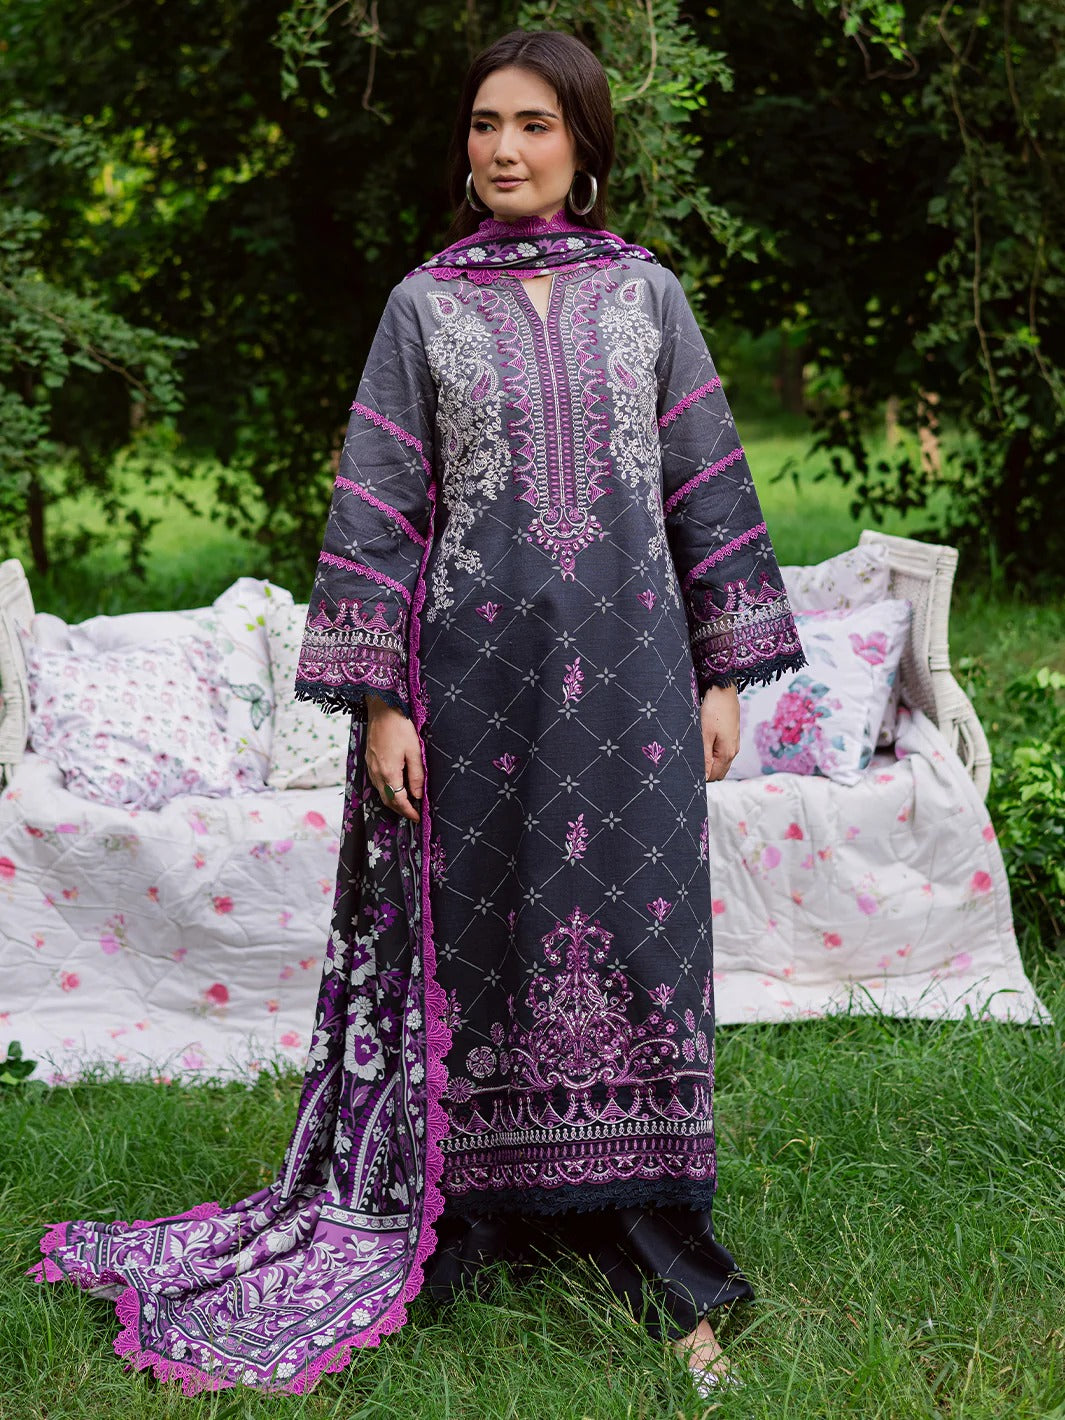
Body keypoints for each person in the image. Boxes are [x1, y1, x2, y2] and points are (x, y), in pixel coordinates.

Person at [27, 28, 807, 1400]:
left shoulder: (648, 297)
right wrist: (382, 701)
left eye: (534, 125)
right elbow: (378, 508)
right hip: (471, 687)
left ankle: (649, 1236)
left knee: (638, 940)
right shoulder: (424, 307)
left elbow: (706, 481)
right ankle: (473, 1213)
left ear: (583, 144)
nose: (504, 148)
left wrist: (722, 671)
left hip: (631, 680)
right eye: (486, 124)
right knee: (483, 930)